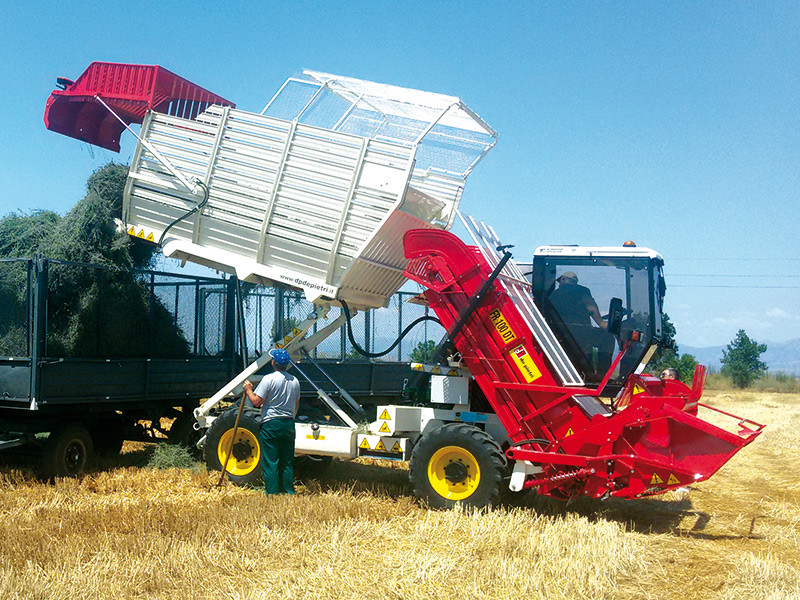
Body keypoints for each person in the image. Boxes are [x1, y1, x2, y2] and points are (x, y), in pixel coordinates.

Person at [242, 349, 301, 496]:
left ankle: (273, 493)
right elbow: (296, 404)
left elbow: (256, 402)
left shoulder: (269, 379)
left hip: (271, 424)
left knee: (271, 460)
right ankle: (288, 491)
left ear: (273, 362)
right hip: (288, 424)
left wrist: (248, 390)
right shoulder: (295, 381)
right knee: (287, 461)